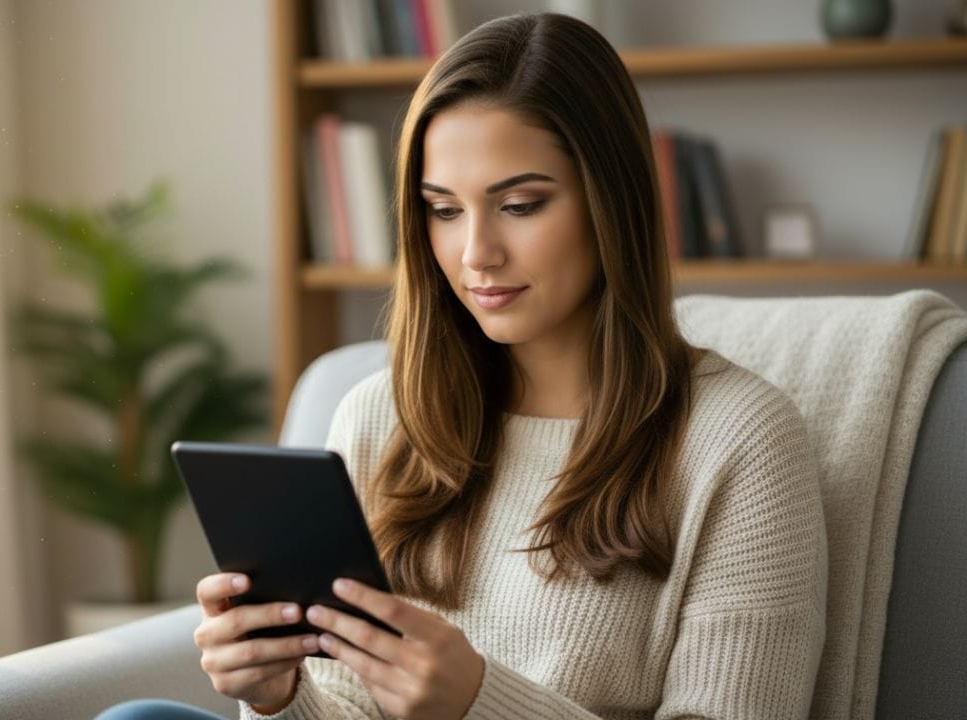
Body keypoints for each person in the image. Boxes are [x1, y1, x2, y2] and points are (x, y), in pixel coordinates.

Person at [96, 10, 827, 720]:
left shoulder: (740, 441)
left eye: (519, 204)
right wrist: (277, 696)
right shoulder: (380, 415)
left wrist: (479, 704)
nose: (476, 253)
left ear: (612, 203)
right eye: (443, 210)